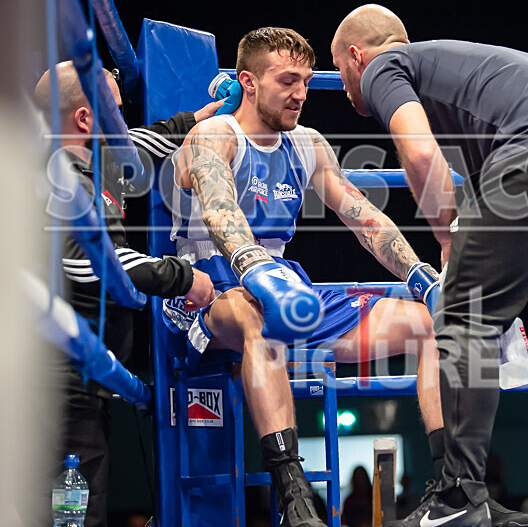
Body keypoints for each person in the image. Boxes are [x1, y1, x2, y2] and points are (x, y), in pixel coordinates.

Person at [332, 5, 528, 527]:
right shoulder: (465, 75)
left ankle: (457, 498)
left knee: (462, 317)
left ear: (356, 56)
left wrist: (445, 232)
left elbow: (420, 155)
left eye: (339, 71)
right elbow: (489, 198)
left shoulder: (385, 67)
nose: (342, 87)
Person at [169, 27, 448, 527]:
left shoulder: (308, 145)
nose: (300, 92)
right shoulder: (214, 136)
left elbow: (364, 217)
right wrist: (255, 269)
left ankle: (453, 486)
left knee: (429, 323)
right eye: (286, 80)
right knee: (263, 319)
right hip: (207, 287)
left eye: (305, 80)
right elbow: (218, 208)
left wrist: (420, 274)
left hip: (285, 284)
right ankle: (294, 498)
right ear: (247, 83)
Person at [32, 61, 218, 527]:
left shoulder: (88, 158)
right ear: (85, 119)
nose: (122, 125)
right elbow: (89, 263)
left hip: (76, 377)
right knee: (71, 517)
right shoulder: (64, 177)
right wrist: (183, 276)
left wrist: (196, 120)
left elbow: (141, 143)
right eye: (114, 113)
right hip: (60, 383)